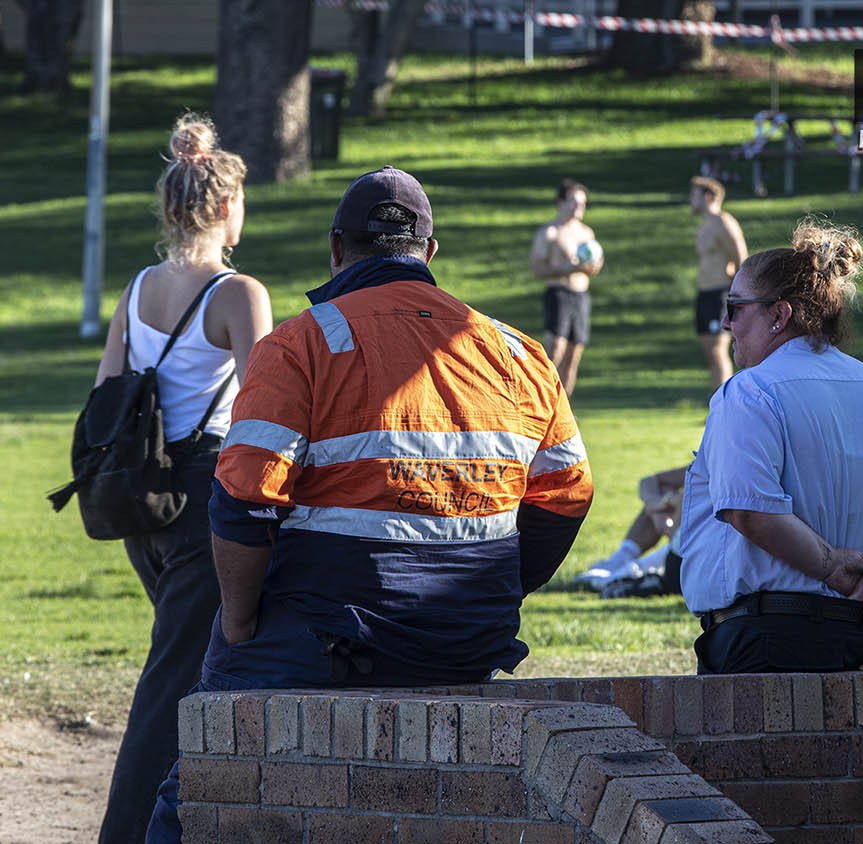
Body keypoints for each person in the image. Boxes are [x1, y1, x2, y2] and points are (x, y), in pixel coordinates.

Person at [145, 166, 593, 842]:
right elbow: (568, 495)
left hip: (325, 639)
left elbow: (242, 501)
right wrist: (491, 590)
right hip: (466, 637)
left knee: (193, 801)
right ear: (430, 254)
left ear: (335, 248)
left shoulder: (300, 345)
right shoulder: (518, 353)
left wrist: (238, 622)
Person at [94, 115, 272, 844]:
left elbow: (107, 394)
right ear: (227, 207)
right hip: (205, 494)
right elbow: (269, 404)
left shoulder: (135, 289)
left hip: (141, 497)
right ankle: (130, 833)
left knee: (191, 668)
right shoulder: (238, 292)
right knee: (174, 682)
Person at [677, 220, 863, 674]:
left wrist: (831, 568)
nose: (726, 322)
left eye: (736, 307)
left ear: (778, 315)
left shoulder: (750, 392)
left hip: (770, 641)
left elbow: (749, 509)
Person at [530, 178, 603, 395]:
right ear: (560, 203)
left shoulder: (587, 233)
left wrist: (593, 267)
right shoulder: (550, 233)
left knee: (573, 356)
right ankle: (545, 403)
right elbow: (537, 270)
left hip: (581, 296)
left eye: (582, 203)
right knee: (555, 351)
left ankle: (566, 410)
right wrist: (567, 269)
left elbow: (594, 265)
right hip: (559, 294)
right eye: (573, 201)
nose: (578, 207)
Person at [574, 465, 688, 594]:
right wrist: (662, 504)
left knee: (686, 499)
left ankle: (635, 571)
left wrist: (670, 505)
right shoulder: (709, 459)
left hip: (695, 551)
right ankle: (620, 559)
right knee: (663, 492)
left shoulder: (714, 465)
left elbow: (689, 499)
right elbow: (649, 481)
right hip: (679, 538)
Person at [689, 176, 748, 391]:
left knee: (718, 351)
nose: (690, 200)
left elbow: (741, 258)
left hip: (720, 294)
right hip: (705, 294)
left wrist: (737, 293)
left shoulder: (724, 222)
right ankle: (716, 406)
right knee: (710, 355)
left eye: (694, 195)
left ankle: (727, 404)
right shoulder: (705, 227)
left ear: (708, 196)